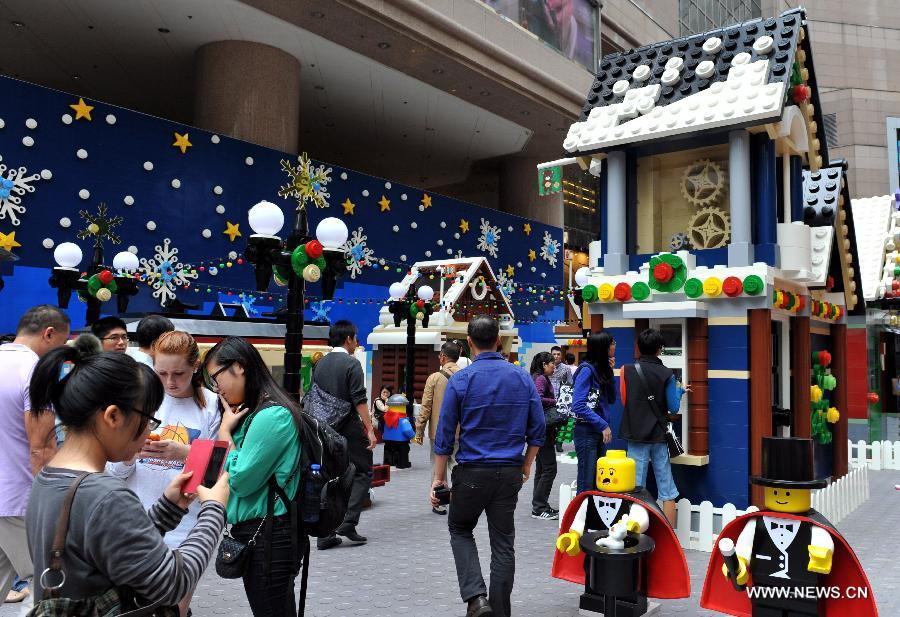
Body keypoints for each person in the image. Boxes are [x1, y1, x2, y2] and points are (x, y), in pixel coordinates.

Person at [26, 348, 228, 608]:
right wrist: (214, 509)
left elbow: (113, 544)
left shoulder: (50, 477)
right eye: (148, 420)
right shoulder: (105, 495)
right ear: (112, 416)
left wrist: (168, 508)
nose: (148, 434)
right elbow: (172, 585)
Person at [431, 316, 545, 617]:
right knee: (503, 544)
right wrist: (527, 465)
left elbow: (444, 435)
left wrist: (438, 479)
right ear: (498, 340)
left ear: (469, 342)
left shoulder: (461, 380)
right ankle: (500, 612)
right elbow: (538, 430)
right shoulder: (521, 377)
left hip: (471, 473)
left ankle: (476, 598)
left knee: (459, 528)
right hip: (509, 472)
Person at [107, 331, 219, 616]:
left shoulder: (212, 405)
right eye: (162, 373)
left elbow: (217, 474)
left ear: (196, 367)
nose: (170, 382)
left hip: (186, 529)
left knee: (174, 611)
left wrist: (184, 453)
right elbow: (114, 472)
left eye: (179, 373)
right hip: (137, 524)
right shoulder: (140, 400)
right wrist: (131, 452)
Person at [202, 336, 305, 616]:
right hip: (262, 531)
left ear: (239, 366)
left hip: (270, 534)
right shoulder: (251, 413)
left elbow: (242, 480)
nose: (216, 388)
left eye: (216, 377)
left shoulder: (271, 416)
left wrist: (225, 434)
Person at [0, 305, 70, 607]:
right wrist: (57, 500)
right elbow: (41, 446)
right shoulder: (35, 372)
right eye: (62, 345)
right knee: (52, 586)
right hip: (18, 499)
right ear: (49, 334)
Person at [312, 321, 376, 551]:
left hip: (324, 428)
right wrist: (369, 429)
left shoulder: (320, 364)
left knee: (331, 476)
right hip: (348, 425)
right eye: (355, 337)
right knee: (362, 470)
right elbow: (359, 399)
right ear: (348, 339)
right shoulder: (351, 364)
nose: (357, 341)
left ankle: (325, 533)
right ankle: (348, 521)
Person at [619, 328, 690, 526]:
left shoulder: (627, 370)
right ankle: (669, 537)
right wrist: (680, 390)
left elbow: (625, 400)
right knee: (666, 487)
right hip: (658, 435)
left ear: (639, 348)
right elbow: (673, 407)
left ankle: (634, 531)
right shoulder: (667, 374)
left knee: (635, 485)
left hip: (635, 433)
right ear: (660, 349)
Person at [414, 341, 461, 514]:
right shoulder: (465, 376)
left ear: (442, 356)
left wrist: (419, 430)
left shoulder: (434, 378)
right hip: (460, 431)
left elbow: (426, 406)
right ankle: (459, 500)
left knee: (437, 468)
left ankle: (439, 503)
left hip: (438, 431)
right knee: (458, 465)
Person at [572, 332, 617, 495]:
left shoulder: (601, 370)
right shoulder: (586, 370)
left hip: (597, 433)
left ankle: (591, 518)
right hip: (586, 432)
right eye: (612, 343)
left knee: (598, 482)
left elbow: (611, 399)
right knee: (586, 483)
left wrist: (610, 373)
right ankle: (581, 518)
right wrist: (603, 425)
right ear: (603, 348)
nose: (614, 346)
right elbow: (578, 405)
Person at [529, 351, 559, 520]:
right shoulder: (540, 379)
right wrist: (556, 402)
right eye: (551, 363)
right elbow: (539, 399)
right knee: (549, 468)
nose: (553, 366)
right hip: (542, 429)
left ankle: (540, 505)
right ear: (543, 365)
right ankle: (539, 507)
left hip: (537, 429)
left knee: (541, 468)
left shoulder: (535, 377)